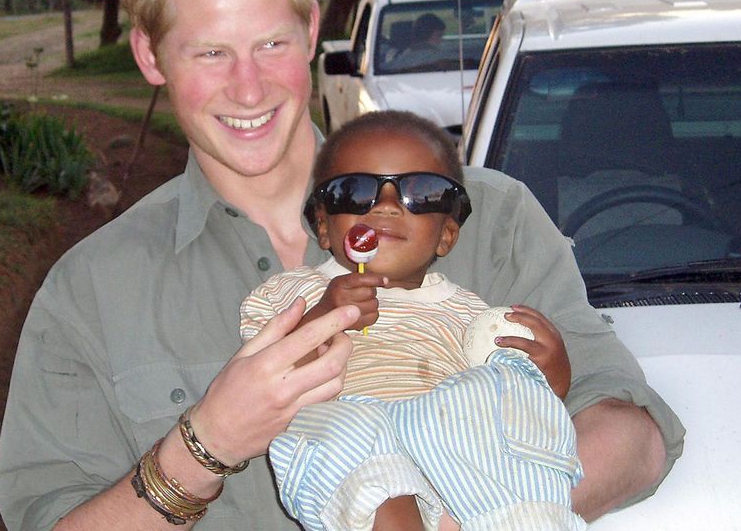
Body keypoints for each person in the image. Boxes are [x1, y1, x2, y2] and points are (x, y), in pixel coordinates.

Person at [0, 0, 684, 530]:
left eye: (271, 44)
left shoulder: (488, 218)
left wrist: (468, 519)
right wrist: (205, 446)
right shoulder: (89, 294)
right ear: (149, 54)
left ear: (313, 27)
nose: (249, 87)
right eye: (210, 52)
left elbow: (635, 436)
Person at [240, 111, 587, 531]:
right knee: (352, 429)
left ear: (446, 235)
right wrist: (322, 318)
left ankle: (523, 519)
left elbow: (509, 415)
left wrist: (549, 377)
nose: (386, 207)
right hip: (345, 447)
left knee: (492, 389)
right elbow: (263, 383)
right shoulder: (290, 295)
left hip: (446, 466)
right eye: (356, 192)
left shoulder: (468, 312)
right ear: (324, 227)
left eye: (421, 194)